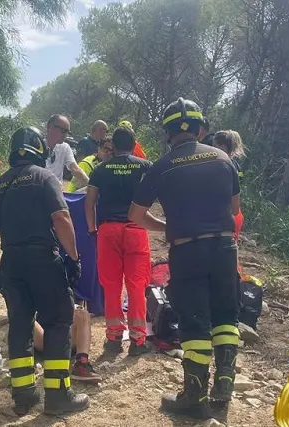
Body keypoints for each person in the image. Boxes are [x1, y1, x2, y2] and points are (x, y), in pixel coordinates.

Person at [128, 98, 241, 420]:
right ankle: (224, 385)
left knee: (195, 321)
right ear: (201, 129)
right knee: (225, 317)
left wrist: (166, 226)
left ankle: (194, 395)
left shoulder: (161, 166)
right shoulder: (223, 158)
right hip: (223, 248)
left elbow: (136, 215)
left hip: (187, 249)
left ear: (167, 132)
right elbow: (234, 209)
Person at [0, 126, 89, 416]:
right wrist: (74, 257)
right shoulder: (44, 177)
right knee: (57, 321)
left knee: (20, 326)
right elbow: (61, 218)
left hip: (12, 262)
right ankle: (57, 395)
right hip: (43, 259)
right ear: (40, 151)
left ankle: (23, 395)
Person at [85, 127, 153, 356]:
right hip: (136, 229)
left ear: (113, 145)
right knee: (137, 285)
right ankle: (138, 340)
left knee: (111, 285)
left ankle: (114, 338)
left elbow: (89, 202)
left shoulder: (101, 168)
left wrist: (92, 229)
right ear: (134, 145)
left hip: (108, 230)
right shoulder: (145, 166)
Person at [32, 301, 101, 383]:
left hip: (64, 338)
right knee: (26, 318)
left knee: (82, 314)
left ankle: (81, 364)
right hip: (43, 340)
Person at [210, 130, 245, 241]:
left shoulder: (219, 165)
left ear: (222, 146)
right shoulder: (236, 165)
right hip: (235, 214)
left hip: (221, 214)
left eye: (214, 146)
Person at [45, 115, 90, 190]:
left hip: (56, 193)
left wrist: (91, 186)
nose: (66, 135)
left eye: (68, 132)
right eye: (63, 131)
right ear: (50, 127)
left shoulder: (65, 147)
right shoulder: (37, 146)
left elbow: (75, 169)